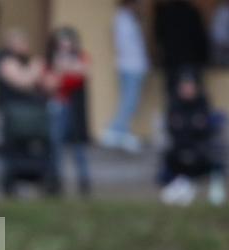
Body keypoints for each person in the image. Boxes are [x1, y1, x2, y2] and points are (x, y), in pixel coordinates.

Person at [0, 30, 56, 196]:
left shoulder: (27, 61)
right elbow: (23, 82)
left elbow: (49, 85)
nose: (26, 46)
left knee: (35, 150)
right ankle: (9, 184)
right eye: (22, 43)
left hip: (33, 116)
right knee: (12, 151)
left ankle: (41, 181)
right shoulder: (5, 60)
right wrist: (36, 68)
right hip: (14, 115)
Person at [159, 71, 226, 205]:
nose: (187, 90)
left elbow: (204, 128)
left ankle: (187, 187)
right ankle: (181, 187)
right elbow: (174, 128)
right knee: (173, 157)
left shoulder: (202, 103)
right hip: (179, 147)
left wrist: (187, 125)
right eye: (185, 86)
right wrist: (191, 125)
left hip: (199, 148)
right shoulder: (174, 104)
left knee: (204, 158)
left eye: (190, 86)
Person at [44, 27, 92, 196]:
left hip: (76, 107)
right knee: (55, 143)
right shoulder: (52, 59)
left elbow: (83, 72)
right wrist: (68, 69)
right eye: (61, 42)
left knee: (78, 146)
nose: (65, 45)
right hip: (59, 105)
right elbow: (51, 83)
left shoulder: (82, 56)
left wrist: (65, 67)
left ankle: (84, 181)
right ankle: (55, 181)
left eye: (67, 41)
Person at [101, 0, 148, 153]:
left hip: (133, 65)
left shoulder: (128, 19)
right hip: (130, 66)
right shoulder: (122, 19)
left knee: (130, 101)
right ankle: (115, 130)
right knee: (129, 100)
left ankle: (122, 132)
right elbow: (123, 45)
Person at [154, 0, 209, 98]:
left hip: (172, 61)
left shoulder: (165, 13)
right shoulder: (191, 12)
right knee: (192, 96)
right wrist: (204, 59)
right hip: (190, 60)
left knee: (174, 95)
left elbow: (159, 37)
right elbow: (200, 38)